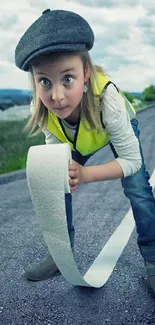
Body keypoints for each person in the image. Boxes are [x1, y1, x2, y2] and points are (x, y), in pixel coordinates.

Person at [15, 9, 155, 292]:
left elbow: (131, 161)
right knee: (56, 181)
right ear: (34, 80)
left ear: (86, 72)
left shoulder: (108, 99)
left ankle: (152, 256)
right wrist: (64, 174)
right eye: (44, 81)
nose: (56, 96)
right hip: (77, 141)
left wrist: (86, 174)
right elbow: (57, 154)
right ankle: (60, 253)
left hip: (116, 130)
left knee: (137, 189)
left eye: (68, 78)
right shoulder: (42, 108)